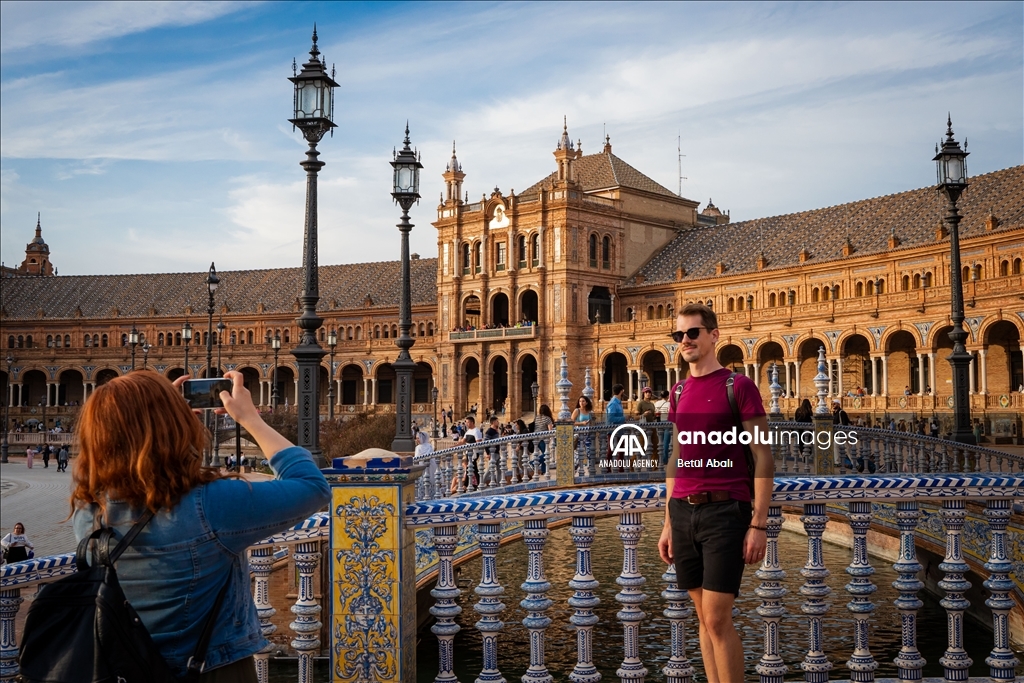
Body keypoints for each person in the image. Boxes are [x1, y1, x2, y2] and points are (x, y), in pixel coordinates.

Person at [70, 370, 330, 681]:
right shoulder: (212, 505)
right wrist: (251, 419)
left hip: (122, 667)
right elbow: (312, 486)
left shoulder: (88, 509)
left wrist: (164, 416)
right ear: (173, 427)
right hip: (210, 668)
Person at [659, 303, 772, 683]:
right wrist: (667, 524)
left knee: (718, 618)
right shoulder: (677, 392)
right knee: (703, 618)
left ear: (713, 336)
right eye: (679, 336)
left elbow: (762, 455)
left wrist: (759, 523)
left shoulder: (737, 386)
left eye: (692, 333)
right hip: (683, 513)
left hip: (726, 511)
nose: (685, 341)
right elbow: (676, 456)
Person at [532, 404, 554, 474]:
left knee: (544, 454)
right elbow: (550, 430)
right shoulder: (547, 418)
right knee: (546, 455)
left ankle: (543, 470)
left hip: (535, 438)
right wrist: (550, 438)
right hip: (543, 439)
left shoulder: (537, 417)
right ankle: (533, 462)